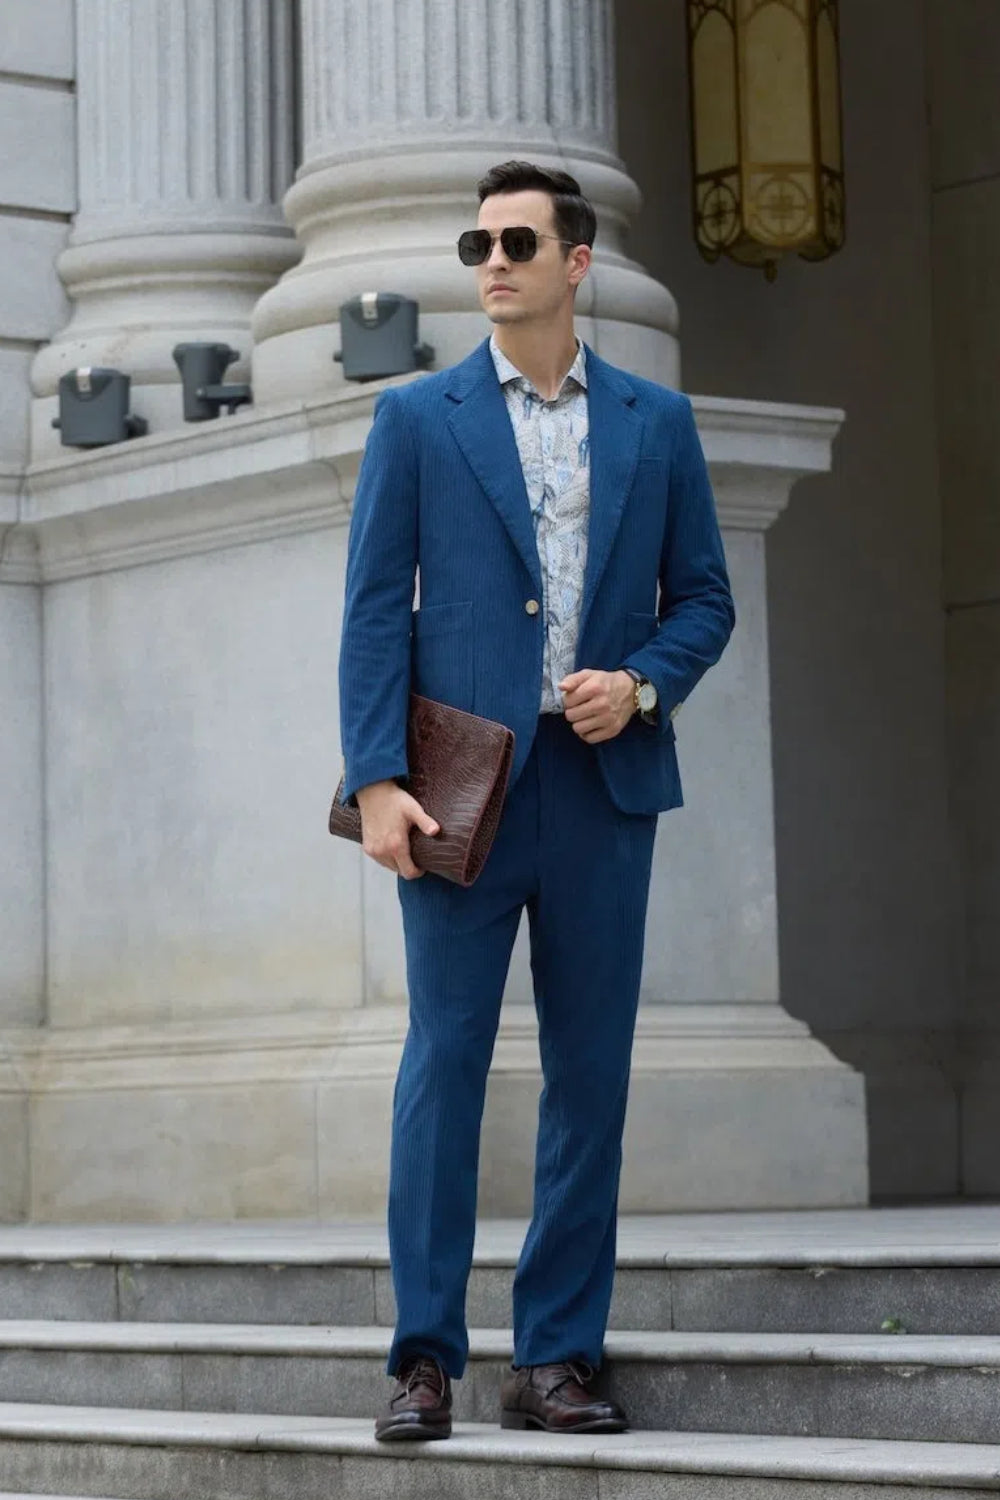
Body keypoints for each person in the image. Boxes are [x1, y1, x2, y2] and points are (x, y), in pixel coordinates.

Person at [338, 159, 734, 1441]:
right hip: (459, 794)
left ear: (577, 261)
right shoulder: (416, 420)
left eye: (516, 239)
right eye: (477, 242)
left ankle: (555, 1355)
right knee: (442, 1069)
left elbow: (706, 603)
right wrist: (378, 781)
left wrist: (644, 685)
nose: (491, 260)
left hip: (601, 791)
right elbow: (369, 617)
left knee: (589, 1078)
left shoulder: (655, 424)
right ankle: (423, 1362)